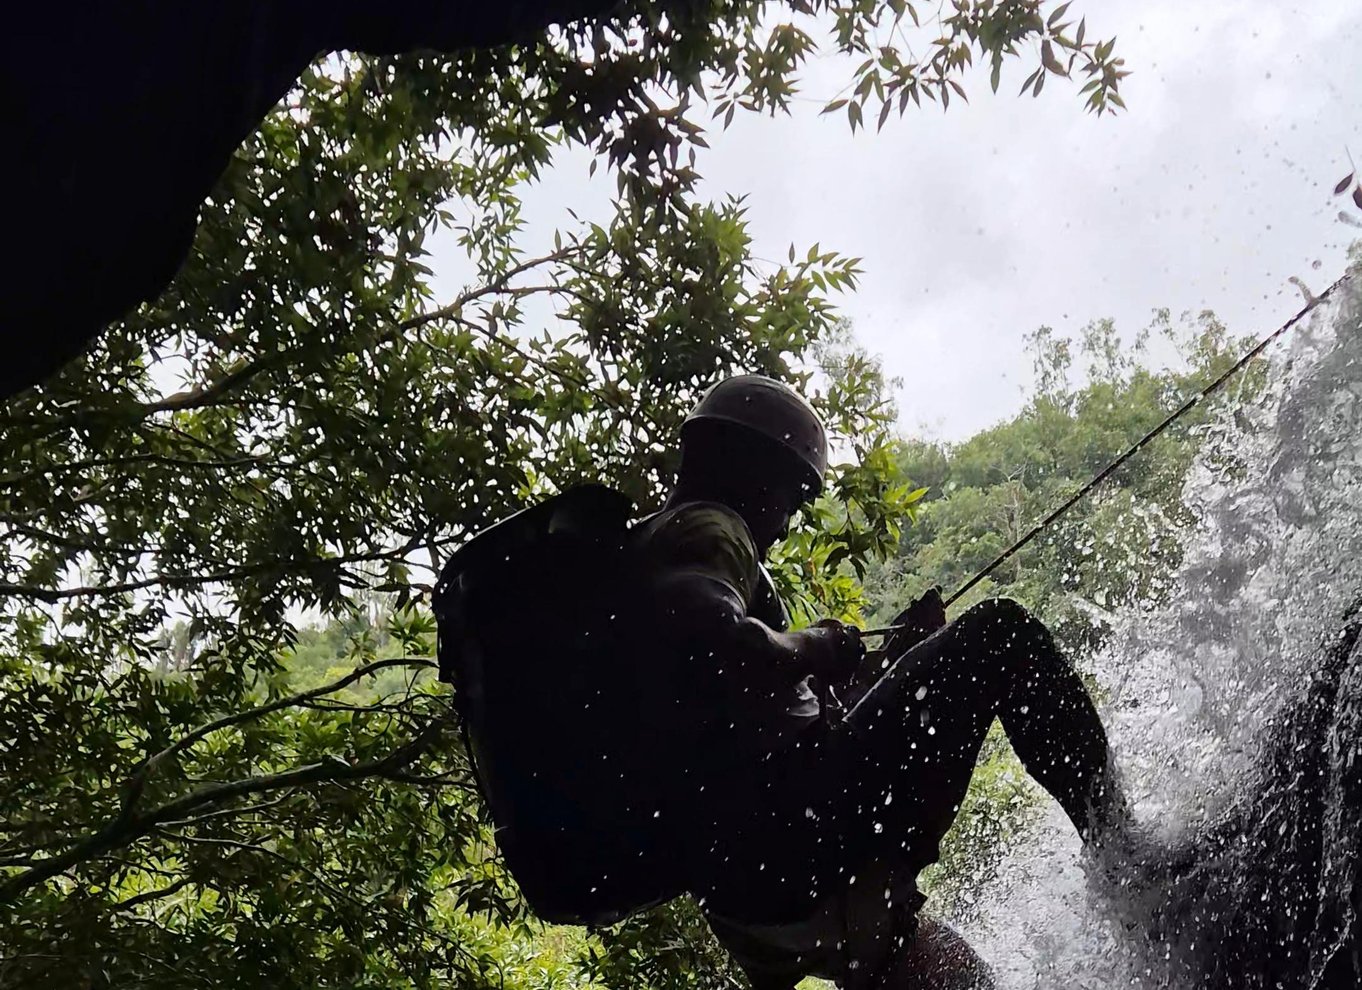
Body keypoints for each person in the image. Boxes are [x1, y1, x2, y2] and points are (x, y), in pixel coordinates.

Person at [627, 374, 1131, 990]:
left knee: (962, 977)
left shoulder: (651, 558)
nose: (784, 525)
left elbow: (760, 714)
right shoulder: (707, 526)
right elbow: (721, 644)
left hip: (758, 899)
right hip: (801, 835)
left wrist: (896, 660)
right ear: (750, 469)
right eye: (788, 498)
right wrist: (818, 644)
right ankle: (1124, 857)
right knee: (1000, 634)